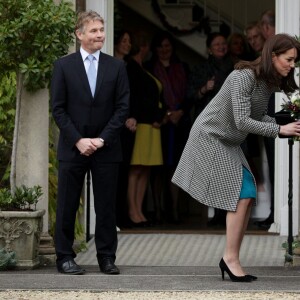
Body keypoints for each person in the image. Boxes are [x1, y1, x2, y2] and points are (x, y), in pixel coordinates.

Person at [172, 33, 300, 282]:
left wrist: (287, 125)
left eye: (294, 61)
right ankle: (230, 259)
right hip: (210, 137)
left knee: (248, 193)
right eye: (289, 59)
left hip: (229, 141)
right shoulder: (243, 77)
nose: (292, 65)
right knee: (242, 193)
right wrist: (279, 129)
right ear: (273, 56)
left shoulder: (267, 83)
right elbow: (243, 120)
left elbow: (257, 117)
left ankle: (230, 258)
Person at [51, 10, 129, 275]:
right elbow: (58, 109)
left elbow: (122, 108)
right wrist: (78, 140)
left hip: (107, 147)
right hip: (73, 147)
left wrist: (102, 139)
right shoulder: (63, 66)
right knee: (67, 204)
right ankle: (64, 256)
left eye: (101, 30)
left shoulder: (117, 66)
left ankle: (106, 257)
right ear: (79, 34)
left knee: (106, 205)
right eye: (94, 30)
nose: (100, 35)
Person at [187, 32, 233, 226]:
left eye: (223, 43)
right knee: (212, 169)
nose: (221, 46)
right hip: (209, 124)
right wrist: (205, 88)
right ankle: (216, 213)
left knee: (229, 170)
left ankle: (229, 213)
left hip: (232, 123)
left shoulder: (235, 67)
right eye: (216, 44)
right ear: (209, 49)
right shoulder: (201, 68)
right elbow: (189, 96)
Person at [145, 31, 191, 224]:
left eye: (168, 46)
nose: (165, 50)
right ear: (155, 49)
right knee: (158, 169)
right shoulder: (149, 67)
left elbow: (190, 93)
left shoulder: (183, 67)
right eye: (161, 46)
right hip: (160, 124)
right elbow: (147, 96)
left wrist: (179, 111)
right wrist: (165, 114)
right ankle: (156, 210)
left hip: (179, 124)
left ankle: (174, 210)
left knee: (176, 169)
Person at [126, 32, 167, 227]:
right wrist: (153, 116)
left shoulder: (144, 68)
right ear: (142, 47)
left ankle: (139, 210)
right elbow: (135, 98)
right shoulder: (131, 68)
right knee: (136, 169)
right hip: (142, 124)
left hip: (152, 125)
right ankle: (132, 210)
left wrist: (160, 117)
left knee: (146, 170)